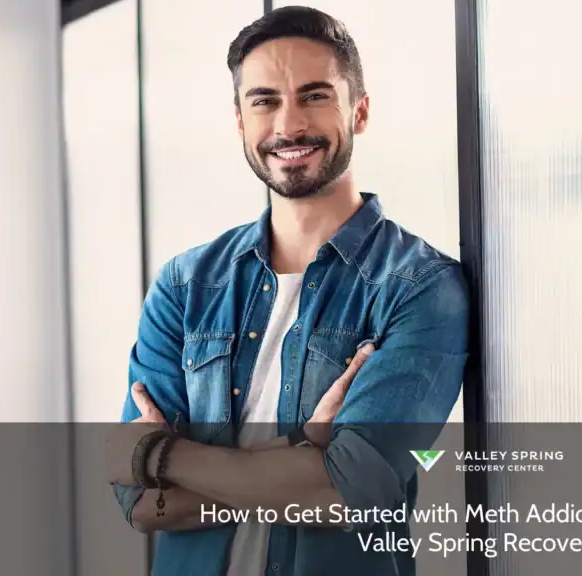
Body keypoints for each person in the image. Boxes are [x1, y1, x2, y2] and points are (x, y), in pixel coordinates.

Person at [105, 6, 470, 575]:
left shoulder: (419, 286)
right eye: (264, 101)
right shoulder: (186, 285)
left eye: (315, 96)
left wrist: (159, 453)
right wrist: (299, 454)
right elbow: (139, 504)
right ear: (240, 120)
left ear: (360, 111)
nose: (289, 125)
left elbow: (349, 494)